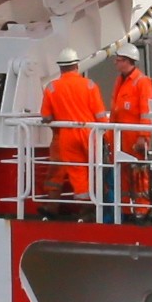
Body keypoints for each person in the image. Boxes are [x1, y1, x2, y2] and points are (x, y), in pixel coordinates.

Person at [38, 49, 103, 204]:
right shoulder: (89, 85)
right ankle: (99, 207)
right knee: (97, 169)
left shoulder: (52, 87)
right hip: (90, 134)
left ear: (60, 68)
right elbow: (100, 115)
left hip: (66, 136)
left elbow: (46, 117)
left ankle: (84, 207)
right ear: (77, 66)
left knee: (77, 171)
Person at [106, 48, 152, 215]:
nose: (116, 62)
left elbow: (146, 111)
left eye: (119, 60)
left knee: (138, 173)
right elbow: (115, 110)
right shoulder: (120, 80)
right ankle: (125, 210)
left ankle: (142, 208)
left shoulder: (142, 82)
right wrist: (109, 135)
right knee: (122, 173)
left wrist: (143, 136)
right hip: (119, 136)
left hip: (134, 136)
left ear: (128, 61)